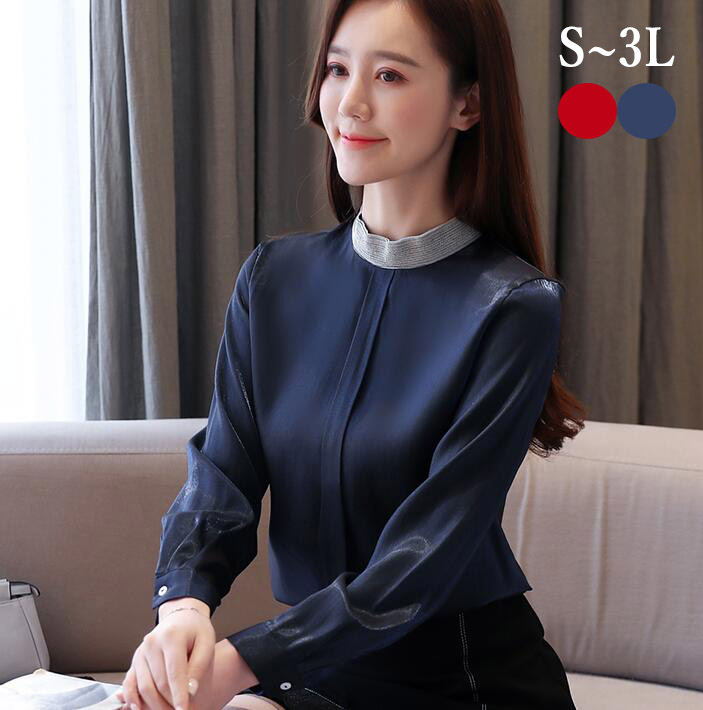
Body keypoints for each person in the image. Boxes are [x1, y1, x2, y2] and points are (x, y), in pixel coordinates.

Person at [118, 0, 587, 708]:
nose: (350, 102)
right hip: (312, 675)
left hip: (463, 687)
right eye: (338, 69)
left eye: (391, 75)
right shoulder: (273, 280)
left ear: (467, 104)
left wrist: (240, 661)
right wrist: (182, 607)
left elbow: (427, 552)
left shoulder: (513, 307)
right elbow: (222, 471)